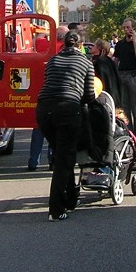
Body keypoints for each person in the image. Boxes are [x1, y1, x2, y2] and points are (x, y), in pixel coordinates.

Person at [35, 30, 96, 221]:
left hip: (44, 109)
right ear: (80, 45)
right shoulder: (86, 63)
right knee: (65, 159)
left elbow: (48, 83)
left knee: (60, 153)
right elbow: (89, 95)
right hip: (68, 109)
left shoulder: (53, 61)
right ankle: (56, 209)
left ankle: (70, 199)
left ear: (64, 44)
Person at [27, 26, 64, 172]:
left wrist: (45, 33)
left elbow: (36, 40)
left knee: (38, 129)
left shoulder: (45, 45)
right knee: (55, 131)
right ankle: (52, 160)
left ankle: (33, 161)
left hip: (42, 92)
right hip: (60, 93)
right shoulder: (66, 49)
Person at [112, 20, 136, 139]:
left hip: (134, 75)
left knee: (135, 108)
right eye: (124, 28)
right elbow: (116, 59)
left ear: (133, 28)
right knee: (125, 108)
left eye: (128, 27)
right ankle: (128, 136)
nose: (126, 30)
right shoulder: (120, 44)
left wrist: (135, 41)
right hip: (123, 75)